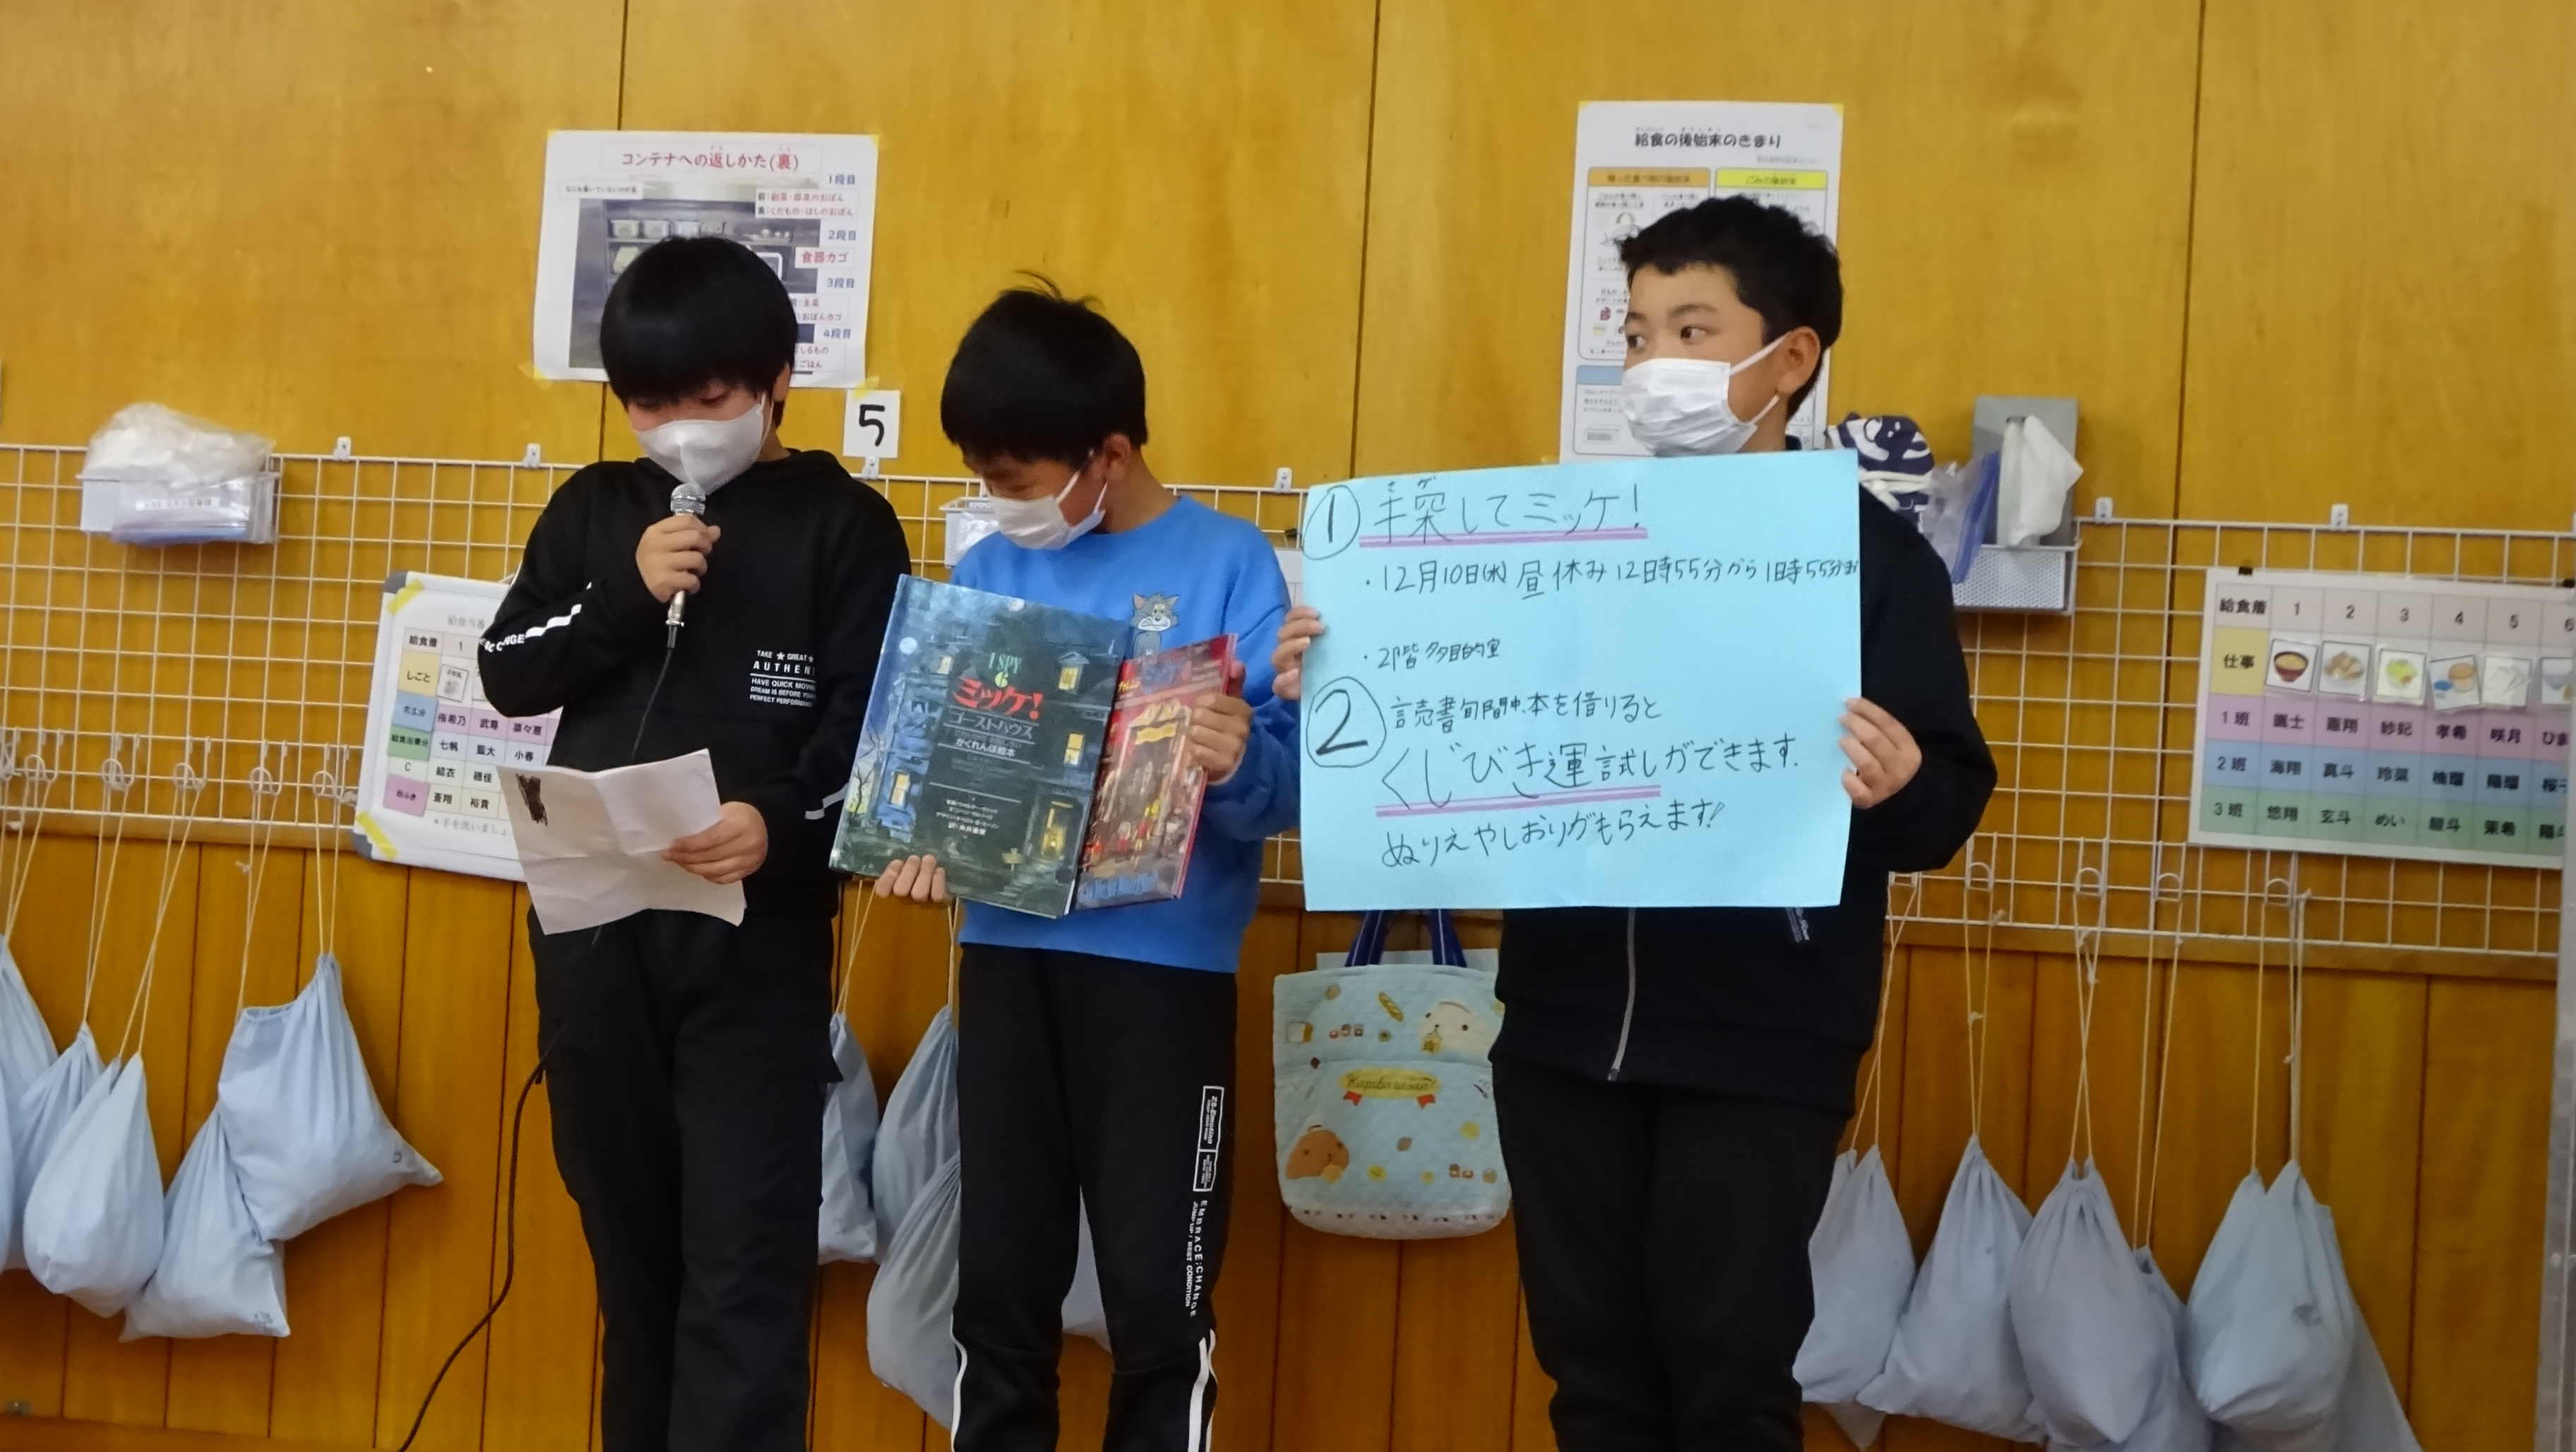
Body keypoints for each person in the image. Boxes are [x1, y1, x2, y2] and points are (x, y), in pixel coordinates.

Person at [1270, 196, 1996, 1451]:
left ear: (1792, 357)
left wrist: (1901, 784)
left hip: (1760, 1033)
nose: (1654, 361)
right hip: (1559, 1024)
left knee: (1729, 1381)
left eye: (1693, 329)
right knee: (1593, 1380)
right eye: (1639, 331)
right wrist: (1344, 676)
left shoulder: (1874, 561)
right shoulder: (1561, 541)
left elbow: (1947, 802)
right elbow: (1462, 724)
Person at [479, 236, 911, 1452]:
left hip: (752, 950)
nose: (679, 428)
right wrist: (626, 590)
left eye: (709, 398)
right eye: (648, 403)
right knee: (636, 1269)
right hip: (594, 938)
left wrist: (777, 823)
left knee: (743, 1269)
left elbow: (874, 742)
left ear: (778, 381)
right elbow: (508, 668)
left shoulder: (845, 527)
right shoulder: (595, 511)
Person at [874, 281, 1299, 1452]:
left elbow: (1287, 790)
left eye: (1016, 479)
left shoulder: (1231, 565)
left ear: (1108, 455)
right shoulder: (988, 574)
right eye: (983, 477)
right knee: (1000, 1293)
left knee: (1161, 1307)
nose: (999, 504)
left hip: (1164, 982)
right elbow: (931, 766)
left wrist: (1239, 758)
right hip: (1009, 963)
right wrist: (918, 841)